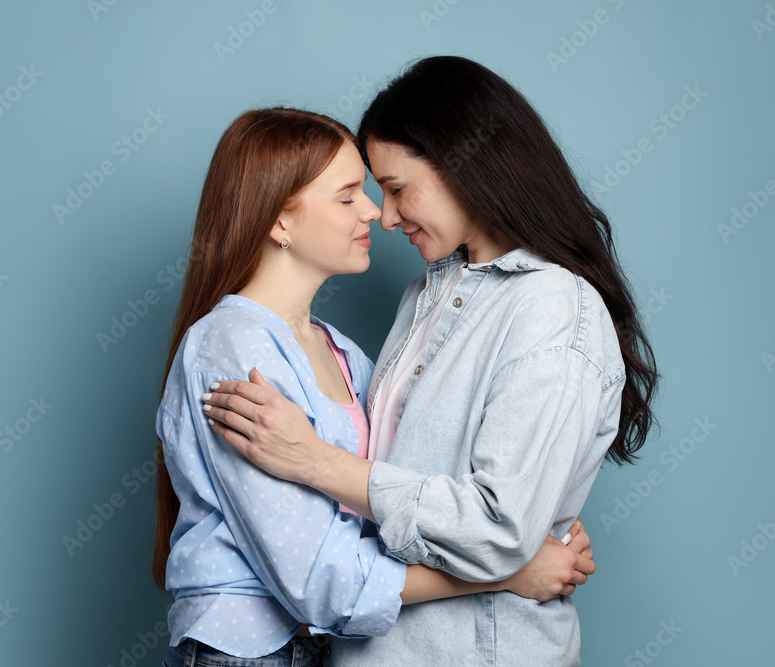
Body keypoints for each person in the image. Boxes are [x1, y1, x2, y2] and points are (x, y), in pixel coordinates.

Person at [201, 56, 660, 666]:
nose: (384, 216)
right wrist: (525, 546)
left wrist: (318, 463)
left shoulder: (550, 306)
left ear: (467, 167)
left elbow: (500, 525)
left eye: (394, 189)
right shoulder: (426, 297)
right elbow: (471, 513)